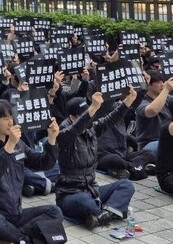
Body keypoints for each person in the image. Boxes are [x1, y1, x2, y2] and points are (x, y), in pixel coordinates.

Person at [0, 99, 63, 244]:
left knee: (54, 212)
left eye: (11, 118)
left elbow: (42, 163)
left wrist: (52, 139)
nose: (10, 123)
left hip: (14, 213)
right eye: (6, 119)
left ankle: (7, 238)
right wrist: (9, 146)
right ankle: (26, 243)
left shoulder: (18, 143)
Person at [55, 91, 136, 229]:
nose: (89, 119)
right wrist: (92, 108)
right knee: (85, 202)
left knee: (126, 185)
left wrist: (127, 102)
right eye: (85, 115)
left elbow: (111, 119)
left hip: (92, 190)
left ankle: (102, 214)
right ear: (72, 117)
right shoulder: (63, 134)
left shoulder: (91, 129)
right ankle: (111, 210)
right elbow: (74, 130)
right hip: (70, 194)